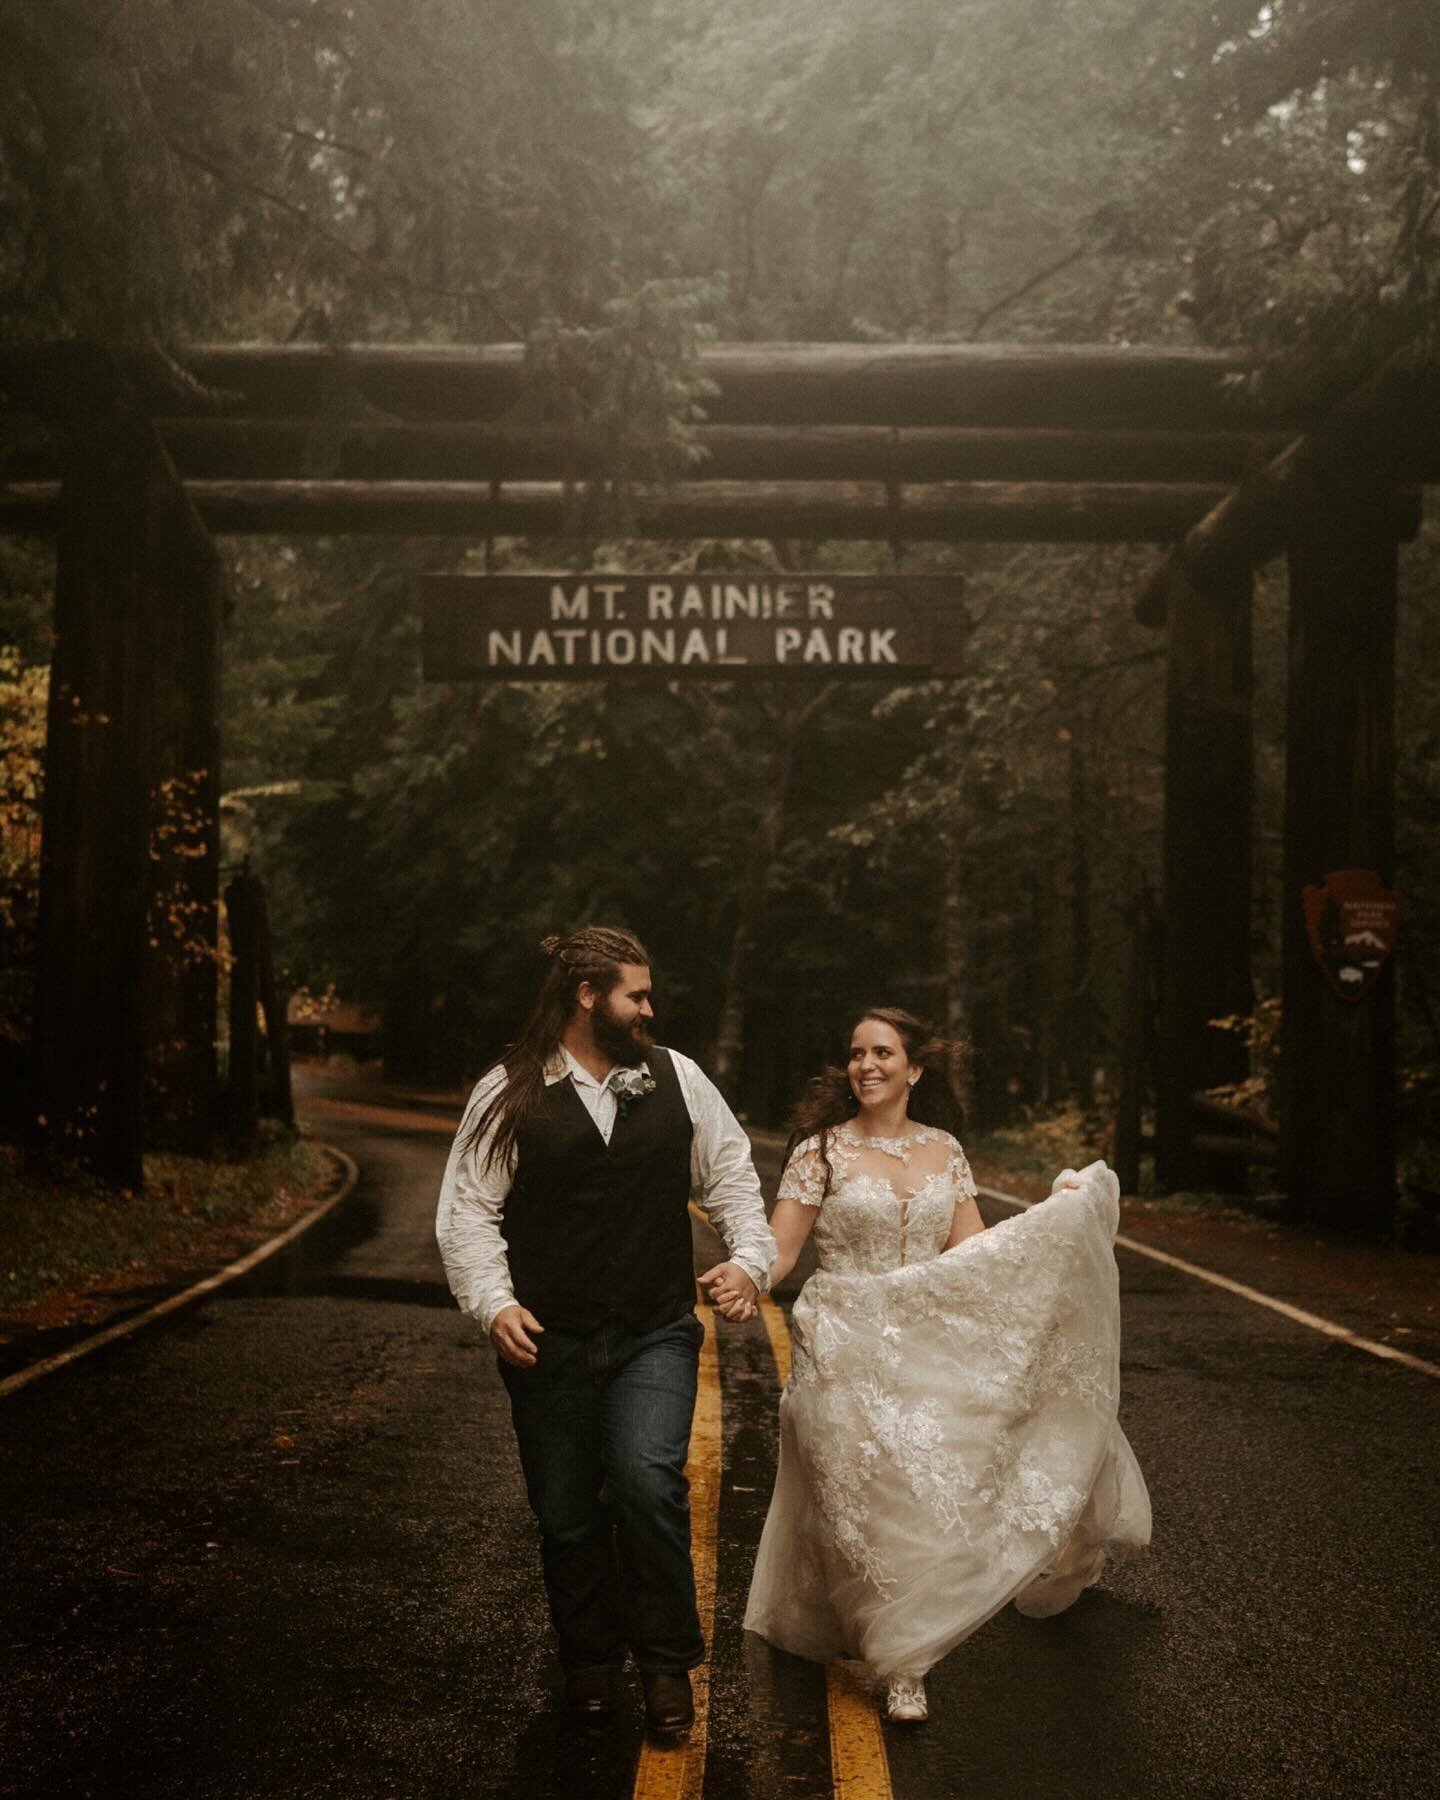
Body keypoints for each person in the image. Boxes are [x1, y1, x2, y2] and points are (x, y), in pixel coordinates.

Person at [718, 1007, 1151, 1724]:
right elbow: (782, 1247)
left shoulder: (945, 1151)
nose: (866, 1065)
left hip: (922, 1341)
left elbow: (971, 1252)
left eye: (883, 1053)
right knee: (856, 1496)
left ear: (914, 1068)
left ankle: (905, 1656)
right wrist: (744, 1274)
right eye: (856, 1053)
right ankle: (896, 1651)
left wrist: (1052, 1220)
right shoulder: (819, 1152)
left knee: (909, 1497)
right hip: (842, 1340)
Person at [436, 926, 776, 1737]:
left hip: (653, 1330)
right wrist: (495, 1303)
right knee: (565, 1512)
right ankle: (587, 1663)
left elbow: (730, 1178)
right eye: (637, 995)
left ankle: (665, 1667)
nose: (650, 1009)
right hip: (547, 1339)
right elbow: (468, 1212)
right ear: (588, 996)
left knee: (644, 1480)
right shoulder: (509, 1090)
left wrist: (749, 1262)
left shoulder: (678, 1078)